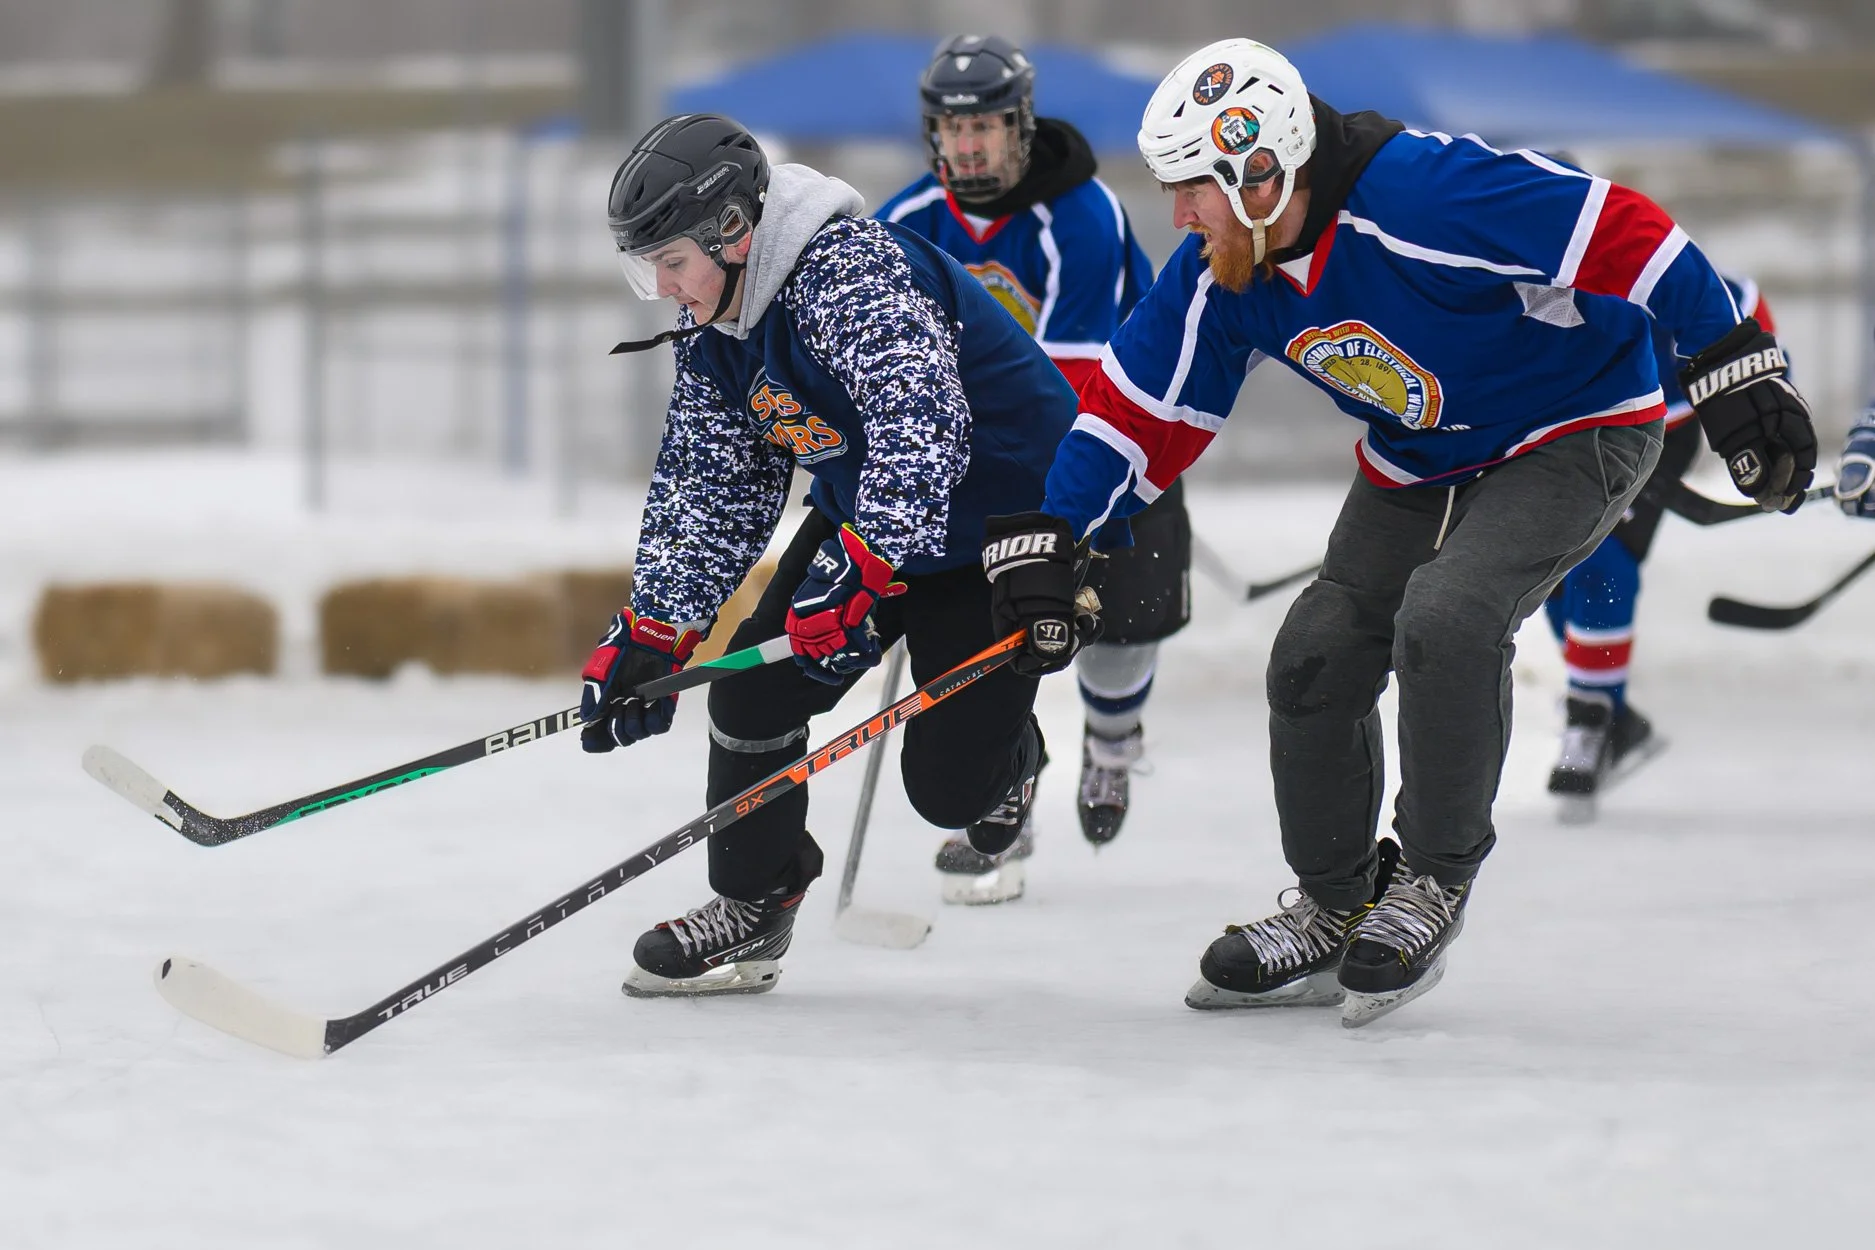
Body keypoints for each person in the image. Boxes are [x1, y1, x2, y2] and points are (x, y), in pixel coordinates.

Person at [979, 39, 1817, 1026]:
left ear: (1261, 175)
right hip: (1422, 454)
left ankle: (1431, 878)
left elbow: (1622, 228)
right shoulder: (1228, 269)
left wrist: (1730, 360)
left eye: (1193, 189)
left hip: (1576, 425)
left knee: (1450, 616)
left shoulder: (1424, 192)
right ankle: (1337, 902)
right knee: (1314, 648)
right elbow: (1136, 407)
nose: (1180, 214)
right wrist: (1053, 533)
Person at [584, 113, 1079, 997]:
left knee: (949, 792)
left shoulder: (850, 273)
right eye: (644, 266)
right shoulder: (716, 327)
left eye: (671, 262)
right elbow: (711, 488)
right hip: (871, 516)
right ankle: (754, 900)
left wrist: (863, 567)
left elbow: (920, 425)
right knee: (748, 695)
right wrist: (657, 625)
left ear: (733, 232)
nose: (660, 287)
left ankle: (1013, 760)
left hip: (997, 530)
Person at [877, 35, 1179, 901]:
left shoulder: (1081, 217)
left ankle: (1112, 745)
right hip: (985, 461)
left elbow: (1070, 390)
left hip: (1122, 438)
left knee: (1121, 626)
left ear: (1021, 125)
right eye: (951, 129)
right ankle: (1013, 766)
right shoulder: (904, 222)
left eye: (986, 128)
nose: (968, 147)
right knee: (1010, 622)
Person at [1543, 273, 1778, 819]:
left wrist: (1770, 439)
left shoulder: (1714, 290)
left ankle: (1590, 717)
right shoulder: (1519, 266)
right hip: (1563, 431)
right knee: (1548, 574)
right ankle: (1614, 718)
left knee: (1600, 562)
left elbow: (1764, 358)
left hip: (1656, 430)